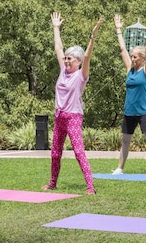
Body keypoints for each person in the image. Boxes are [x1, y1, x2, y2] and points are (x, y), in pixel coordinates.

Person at [42, 12, 103, 195]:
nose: (66, 60)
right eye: (66, 58)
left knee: (78, 151)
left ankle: (90, 186)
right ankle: (52, 184)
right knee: (55, 153)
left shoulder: (81, 75)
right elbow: (58, 47)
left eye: (70, 58)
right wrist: (55, 28)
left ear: (78, 61)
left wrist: (92, 37)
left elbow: (88, 55)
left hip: (73, 117)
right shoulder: (63, 71)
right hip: (59, 116)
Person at [112, 13, 146, 176]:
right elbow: (122, 48)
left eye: (135, 56)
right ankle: (120, 168)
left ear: (142, 58)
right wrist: (118, 30)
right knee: (125, 141)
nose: (132, 58)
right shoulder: (130, 69)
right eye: (132, 56)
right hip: (129, 111)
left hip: (144, 111)